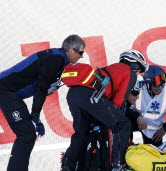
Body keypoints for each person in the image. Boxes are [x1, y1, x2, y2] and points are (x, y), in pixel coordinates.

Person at [0, 34, 85, 171]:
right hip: (5, 91)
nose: (81, 56)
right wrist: (36, 117)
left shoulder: (58, 58)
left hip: (10, 92)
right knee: (26, 134)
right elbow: (41, 87)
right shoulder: (55, 58)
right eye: (80, 52)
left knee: (27, 135)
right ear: (70, 50)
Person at [60, 49, 148, 171]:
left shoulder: (112, 68)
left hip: (73, 94)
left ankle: (67, 165)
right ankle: (119, 165)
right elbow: (119, 100)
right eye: (139, 70)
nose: (138, 74)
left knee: (81, 132)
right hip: (91, 96)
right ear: (134, 64)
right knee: (123, 124)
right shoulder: (129, 73)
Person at [133, 65, 166, 147]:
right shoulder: (137, 88)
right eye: (157, 84)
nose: (160, 88)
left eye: (163, 83)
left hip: (154, 132)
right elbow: (124, 107)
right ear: (148, 84)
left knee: (154, 153)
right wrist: (137, 117)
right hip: (136, 123)